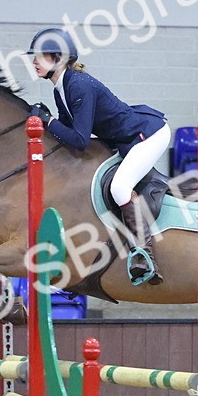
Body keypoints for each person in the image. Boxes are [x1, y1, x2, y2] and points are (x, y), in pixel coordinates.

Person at [26, 27, 171, 286]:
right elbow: (68, 131)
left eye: (40, 56)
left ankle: (144, 254)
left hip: (148, 135)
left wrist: (46, 121)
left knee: (119, 188)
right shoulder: (61, 87)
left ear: (58, 58)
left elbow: (80, 140)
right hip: (125, 138)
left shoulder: (78, 85)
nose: (34, 61)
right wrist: (50, 123)